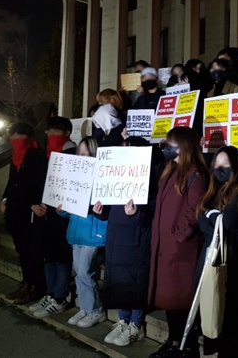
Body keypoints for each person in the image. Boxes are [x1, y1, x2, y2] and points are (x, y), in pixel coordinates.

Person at [148, 127, 209, 358]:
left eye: (171, 144)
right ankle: (174, 342)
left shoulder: (195, 174)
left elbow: (194, 209)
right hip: (165, 247)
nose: (166, 147)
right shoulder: (168, 171)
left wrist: (177, 235)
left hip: (180, 250)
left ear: (183, 146)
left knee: (180, 302)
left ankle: (185, 347)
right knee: (170, 302)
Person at [196, 146, 238, 357]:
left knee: (234, 316)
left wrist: (211, 216)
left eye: (226, 165)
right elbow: (202, 217)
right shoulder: (216, 189)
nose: (220, 169)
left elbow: (226, 223)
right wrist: (212, 218)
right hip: (216, 260)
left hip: (236, 263)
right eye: (217, 165)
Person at [93, 136, 156, 347]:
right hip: (116, 238)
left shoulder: (150, 177)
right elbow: (110, 208)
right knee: (119, 280)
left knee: (134, 281)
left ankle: (135, 326)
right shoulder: (115, 174)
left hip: (136, 240)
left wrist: (136, 213)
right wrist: (101, 212)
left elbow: (153, 212)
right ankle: (123, 320)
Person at [55, 136, 108, 328]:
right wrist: (62, 210)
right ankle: (86, 308)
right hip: (77, 231)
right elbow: (70, 209)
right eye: (80, 153)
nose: (82, 157)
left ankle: (95, 310)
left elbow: (103, 209)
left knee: (85, 272)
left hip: (92, 233)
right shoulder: (75, 177)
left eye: (86, 153)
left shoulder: (102, 178)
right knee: (80, 272)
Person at [30, 116, 76, 319]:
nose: (50, 134)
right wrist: (36, 203)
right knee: (48, 256)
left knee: (61, 257)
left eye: (55, 130)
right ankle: (50, 294)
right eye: (49, 130)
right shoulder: (45, 154)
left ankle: (60, 298)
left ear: (67, 132)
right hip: (45, 212)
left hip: (63, 214)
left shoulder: (73, 153)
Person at [1, 122, 47, 305]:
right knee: (22, 251)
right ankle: (26, 283)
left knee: (32, 252)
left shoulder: (38, 156)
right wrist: (4, 200)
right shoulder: (15, 157)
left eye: (19, 136)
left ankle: (35, 287)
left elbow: (38, 184)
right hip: (15, 212)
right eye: (13, 136)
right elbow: (12, 182)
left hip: (31, 213)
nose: (15, 140)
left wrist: (33, 204)